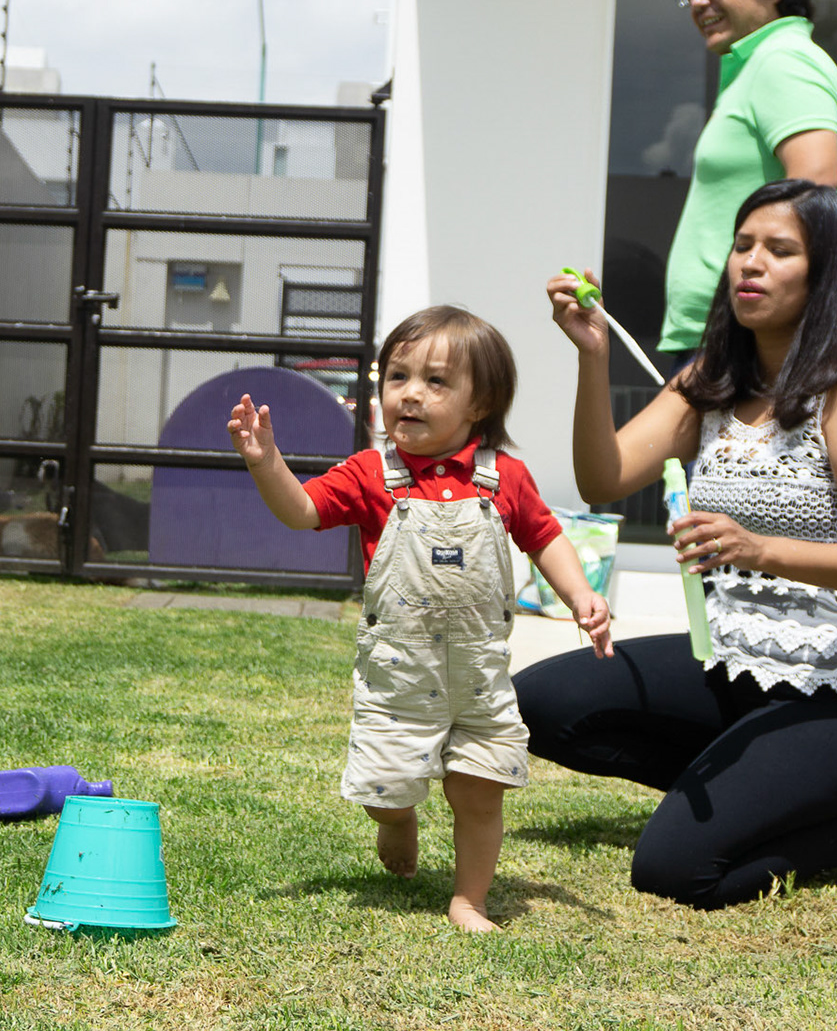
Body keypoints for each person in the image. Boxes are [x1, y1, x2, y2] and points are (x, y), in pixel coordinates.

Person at [522, 180, 837, 910]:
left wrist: (759, 548)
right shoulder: (710, 381)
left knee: (676, 872)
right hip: (735, 660)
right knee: (537, 704)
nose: (751, 263)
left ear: (826, 273)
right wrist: (592, 359)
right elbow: (604, 477)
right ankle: (759, 785)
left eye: (780, 251)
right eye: (744, 246)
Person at [227, 305, 613, 932]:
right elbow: (301, 510)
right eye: (397, 377)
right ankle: (398, 819)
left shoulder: (502, 478)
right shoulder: (370, 475)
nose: (410, 395)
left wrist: (580, 596)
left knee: (479, 789)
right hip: (399, 680)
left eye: (435, 382)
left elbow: (544, 537)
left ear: (480, 403)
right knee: (389, 790)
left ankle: (469, 899)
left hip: (479, 678)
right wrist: (265, 462)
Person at [662, 0, 837, 362]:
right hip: (731, 332)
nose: (697, 0)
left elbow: (815, 186)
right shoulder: (759, 66)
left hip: (745, 337)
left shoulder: (782, 61)